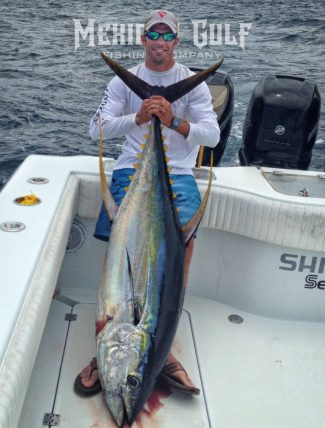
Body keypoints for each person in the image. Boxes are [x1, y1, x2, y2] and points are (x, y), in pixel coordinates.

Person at [75, 9, 220, 396]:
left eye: (167, 35)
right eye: (153, 34)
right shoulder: (123, 84)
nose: (159, 41)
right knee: (116, 249)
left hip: (178, 176)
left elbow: (212, 136)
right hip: (131, 171)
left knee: (183, 245)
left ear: (176, 41)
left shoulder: (193, 85)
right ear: (143, 40)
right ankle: (110, 344)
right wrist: (139, 118)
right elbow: (97, 129)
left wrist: (174, 120)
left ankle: (163, 346)